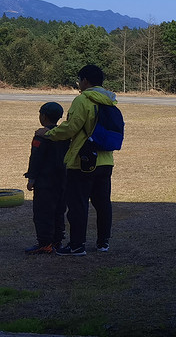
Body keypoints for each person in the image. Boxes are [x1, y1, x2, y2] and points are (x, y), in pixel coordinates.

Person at [41, 64, 118, 255]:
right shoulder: (110, 101)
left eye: (80, 80)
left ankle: (77, 245)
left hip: (83, 161)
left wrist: (49, 134)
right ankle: (103, 243)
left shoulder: (82, 100)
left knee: (78, 204)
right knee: (103, 204)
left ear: (85, 80)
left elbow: (70, 128)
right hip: (106, 159)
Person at [23, 102, 68, 254]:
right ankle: (57, 242)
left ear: (43, 116)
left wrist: (31, 178)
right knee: (59, 211)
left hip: (45, 180)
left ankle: (45, 243)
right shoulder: (64, 134)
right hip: (63, 179)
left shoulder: (41, 135)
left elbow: (36, 158)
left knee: (43, 212)